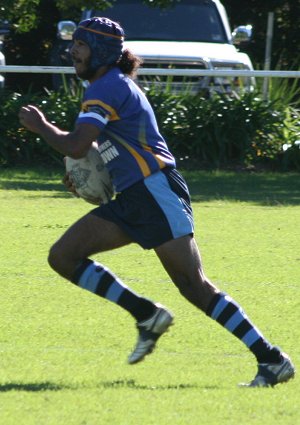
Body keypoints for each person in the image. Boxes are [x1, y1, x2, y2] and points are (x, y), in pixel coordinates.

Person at [19, 17, 295, 387]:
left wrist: (42, 127)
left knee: (194, 286)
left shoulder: (108, 87)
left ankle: (272, 359)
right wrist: (86, 179)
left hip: (155, 192)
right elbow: (99, 150)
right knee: (63, 256)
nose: (73, 51)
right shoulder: (108, 86)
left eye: (81, 46)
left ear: (100, 50)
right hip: (136, 196)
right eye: (75, 45)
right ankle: (146, 314)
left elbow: (77, 145)